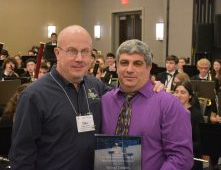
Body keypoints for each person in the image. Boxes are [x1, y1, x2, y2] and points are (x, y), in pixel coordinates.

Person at [9, 25, 164, 170]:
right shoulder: (34, 96)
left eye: (85, 51)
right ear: (57, 53)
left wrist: (150, 84)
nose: (79, 58)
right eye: (72, 51)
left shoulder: (95, 86)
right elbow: (22, 155)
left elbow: (126, 94)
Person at [101, 39, 193, 170]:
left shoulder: (169, 104)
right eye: (124, 63)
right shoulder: (105, 101)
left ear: (149, 67)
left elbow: (181, 157)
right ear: (116, 67)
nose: (129, 69)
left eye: (137, 64)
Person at [174, 81, 204, 170]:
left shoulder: (196, 115)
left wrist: (179, 145)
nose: (178, 95)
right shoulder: (170, 111)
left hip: (190, 158)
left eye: (183, 92)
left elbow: (199, 142)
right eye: (176, 92)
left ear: (190, 96)